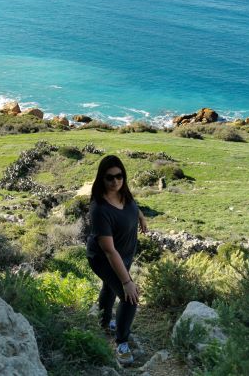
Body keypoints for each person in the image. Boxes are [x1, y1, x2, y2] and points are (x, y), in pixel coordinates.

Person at [86, 154, 148, 365]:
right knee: (130, 297)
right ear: (101, 179)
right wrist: (127, 282)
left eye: (119, 176)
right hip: (104, 259)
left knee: (109, 288)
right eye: (110, 178)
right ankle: (121, 343)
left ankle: (104, 322)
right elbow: (110, 251)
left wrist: (140, 216)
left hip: (125, 255)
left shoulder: (124, 194)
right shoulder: (99, 209)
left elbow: (132, 204)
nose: (115, 181)